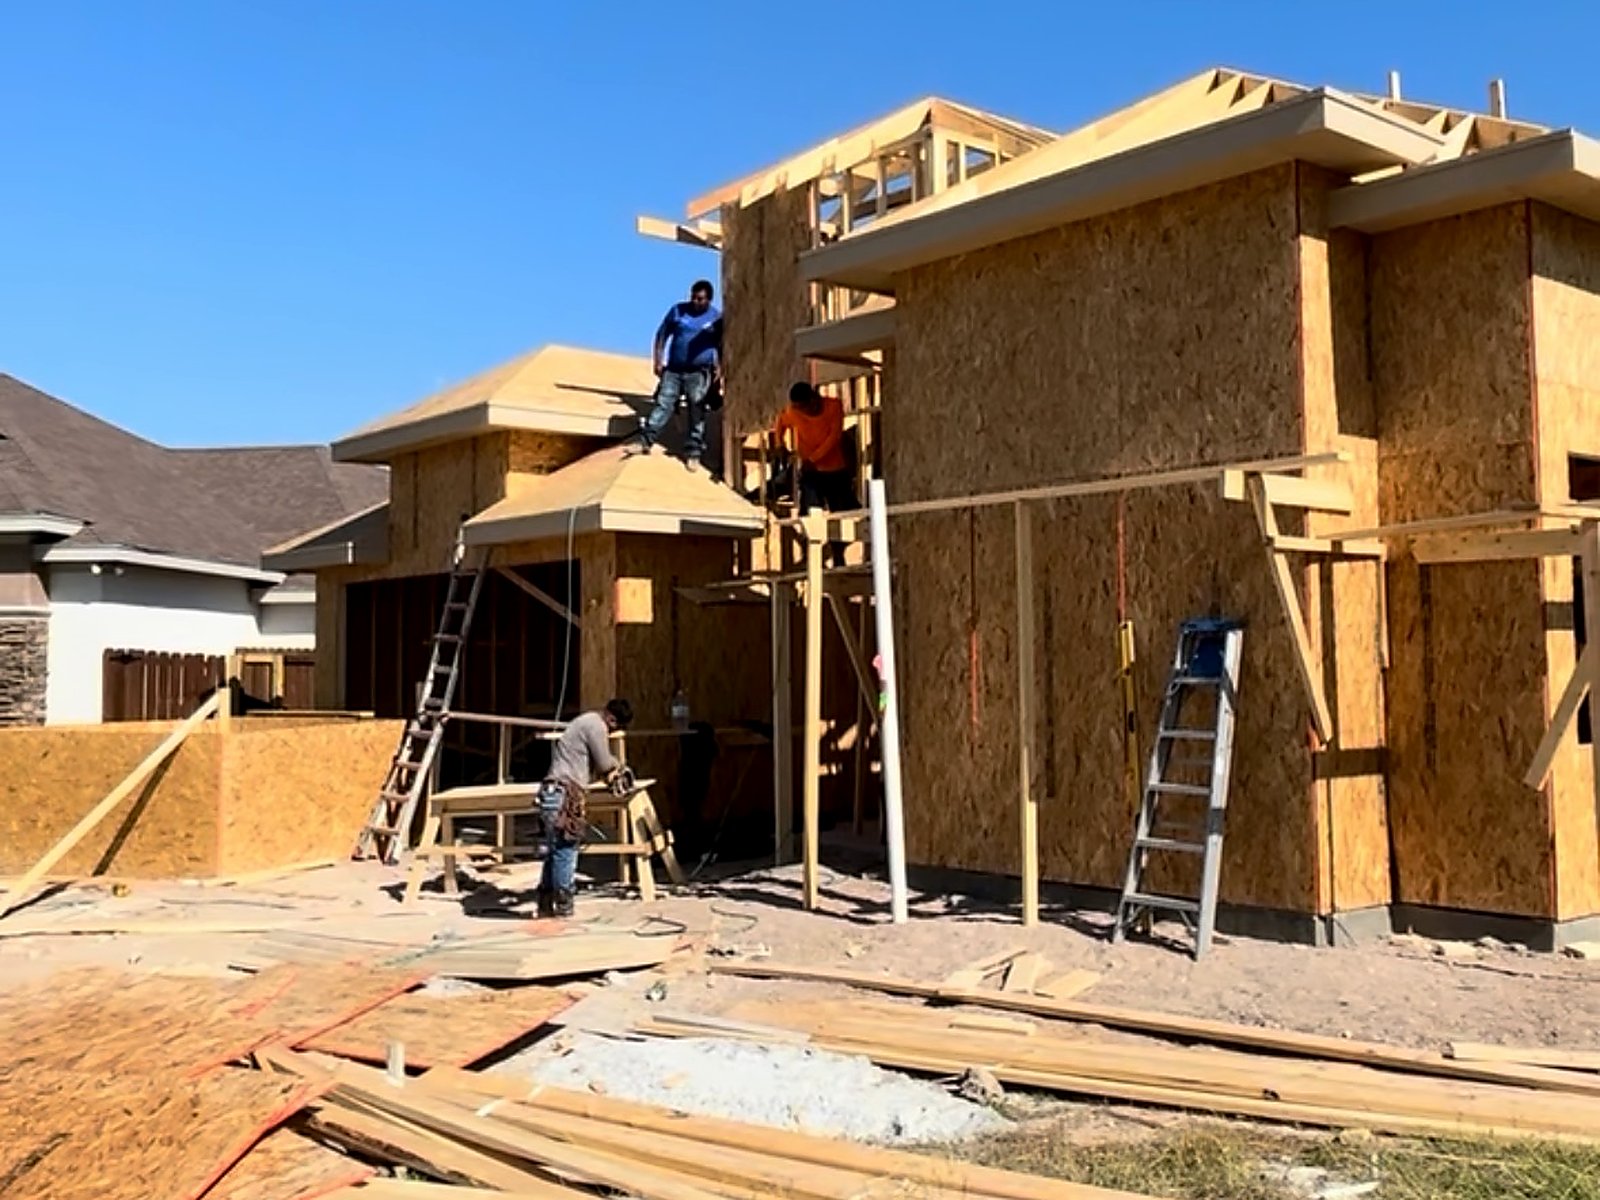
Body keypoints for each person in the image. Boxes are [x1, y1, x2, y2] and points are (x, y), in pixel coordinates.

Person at [537, 697, 634, 918]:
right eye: (614, 728)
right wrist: (618, 767)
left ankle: (545, 905)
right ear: (611, 719)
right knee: (566, 851)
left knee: (555, 851)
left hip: (552, 793)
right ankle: (563, 909)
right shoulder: (596, 725)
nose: (610, 733)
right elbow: (604, 762)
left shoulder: (583, 722)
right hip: (565, 796)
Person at [638, 279, 722, 469]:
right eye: (693, 297)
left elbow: (721, 345)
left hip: (699, 372)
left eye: (700, 299)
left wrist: (719, 368)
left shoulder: (716, 318)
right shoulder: (678, 311)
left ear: (708, 300)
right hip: (674, 370)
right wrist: (658, 359)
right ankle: (645, 441)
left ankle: (693, 451)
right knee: (663, 403)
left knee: (697, 408)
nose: (695, 301)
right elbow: (662, 334)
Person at [773, 381, 859, 514]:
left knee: (845, 512)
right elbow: (780, 422)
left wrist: (813, 460)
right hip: (811, 473)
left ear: (813, 398)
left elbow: (834, 438)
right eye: (797, 408)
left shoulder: (834, 406)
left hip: (834, 470)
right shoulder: (794, 412)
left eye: (803, 407)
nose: (801, 411)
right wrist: (780, 445)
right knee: (810, 512)